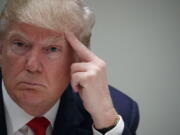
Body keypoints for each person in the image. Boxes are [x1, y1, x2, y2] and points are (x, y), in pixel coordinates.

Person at [0, 0, 139, 135]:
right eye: (20, 44)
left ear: (77, 59)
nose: (32, 66)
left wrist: (106, 123)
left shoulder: (116, 112)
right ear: (1, 49)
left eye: (52, 49)